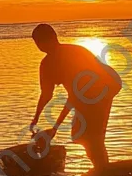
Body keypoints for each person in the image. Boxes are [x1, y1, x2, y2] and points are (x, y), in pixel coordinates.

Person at [30, 23, 122, 167]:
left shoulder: (75, 53)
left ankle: (102, 169)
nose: (39, 46)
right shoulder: (46, 64)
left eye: (39, 41)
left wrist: (54, 128)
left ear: (51, 39)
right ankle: (100, 166)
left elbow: (75, 97)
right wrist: (36, 118)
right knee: (80, 135)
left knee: (91, 137)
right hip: (88, 93)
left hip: (106, 86)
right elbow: (47, 94)